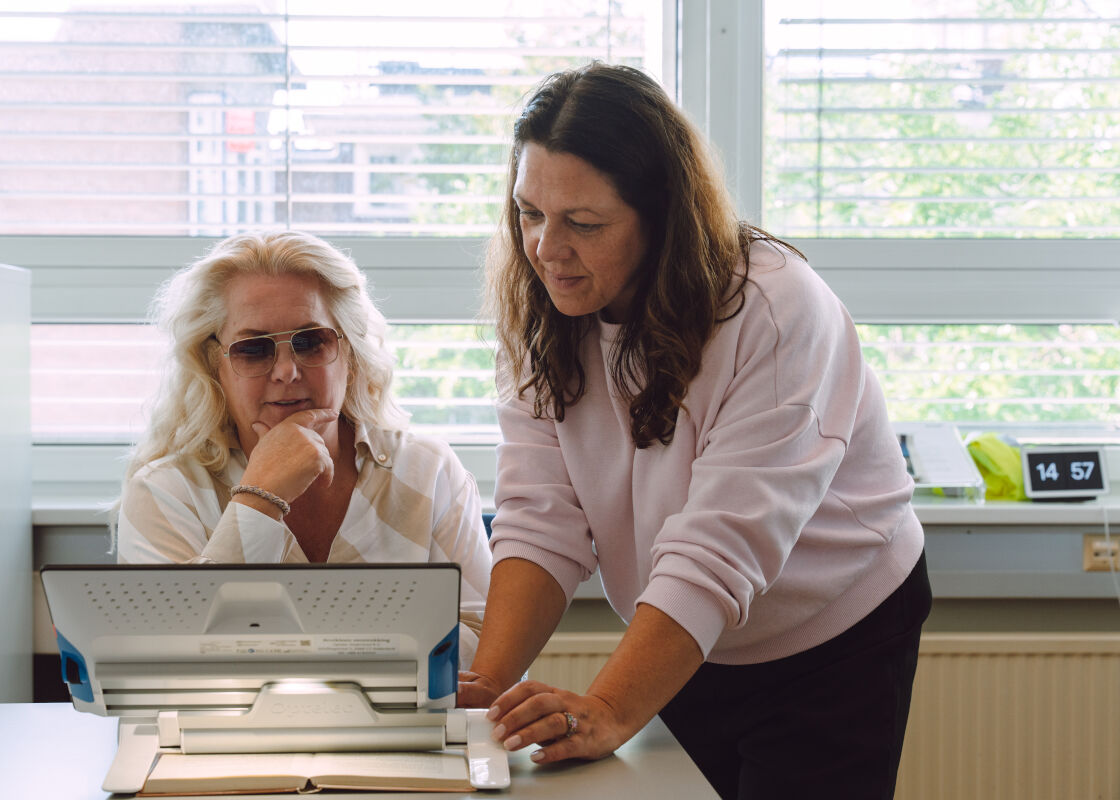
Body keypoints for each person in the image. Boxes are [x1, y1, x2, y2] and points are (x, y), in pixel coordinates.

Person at [458, 62, 931, 798]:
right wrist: (481, 690)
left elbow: (721, 545)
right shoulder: (544, 305)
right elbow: (539, 524)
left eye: (583, 223)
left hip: (834, 634)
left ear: (663, 218)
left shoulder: (773, 311)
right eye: (528, 213)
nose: (547, 248)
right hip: (690, 628)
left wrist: (610, 708)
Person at [116, 230, 492, 668]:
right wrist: (257, 500)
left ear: (348, 354)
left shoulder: (428, 470)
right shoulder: (164, 491)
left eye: (312, 342)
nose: (287, 371)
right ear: (214, 365)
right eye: (253, 349)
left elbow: (488, 654)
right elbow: (164, 665)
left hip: (399, 735)